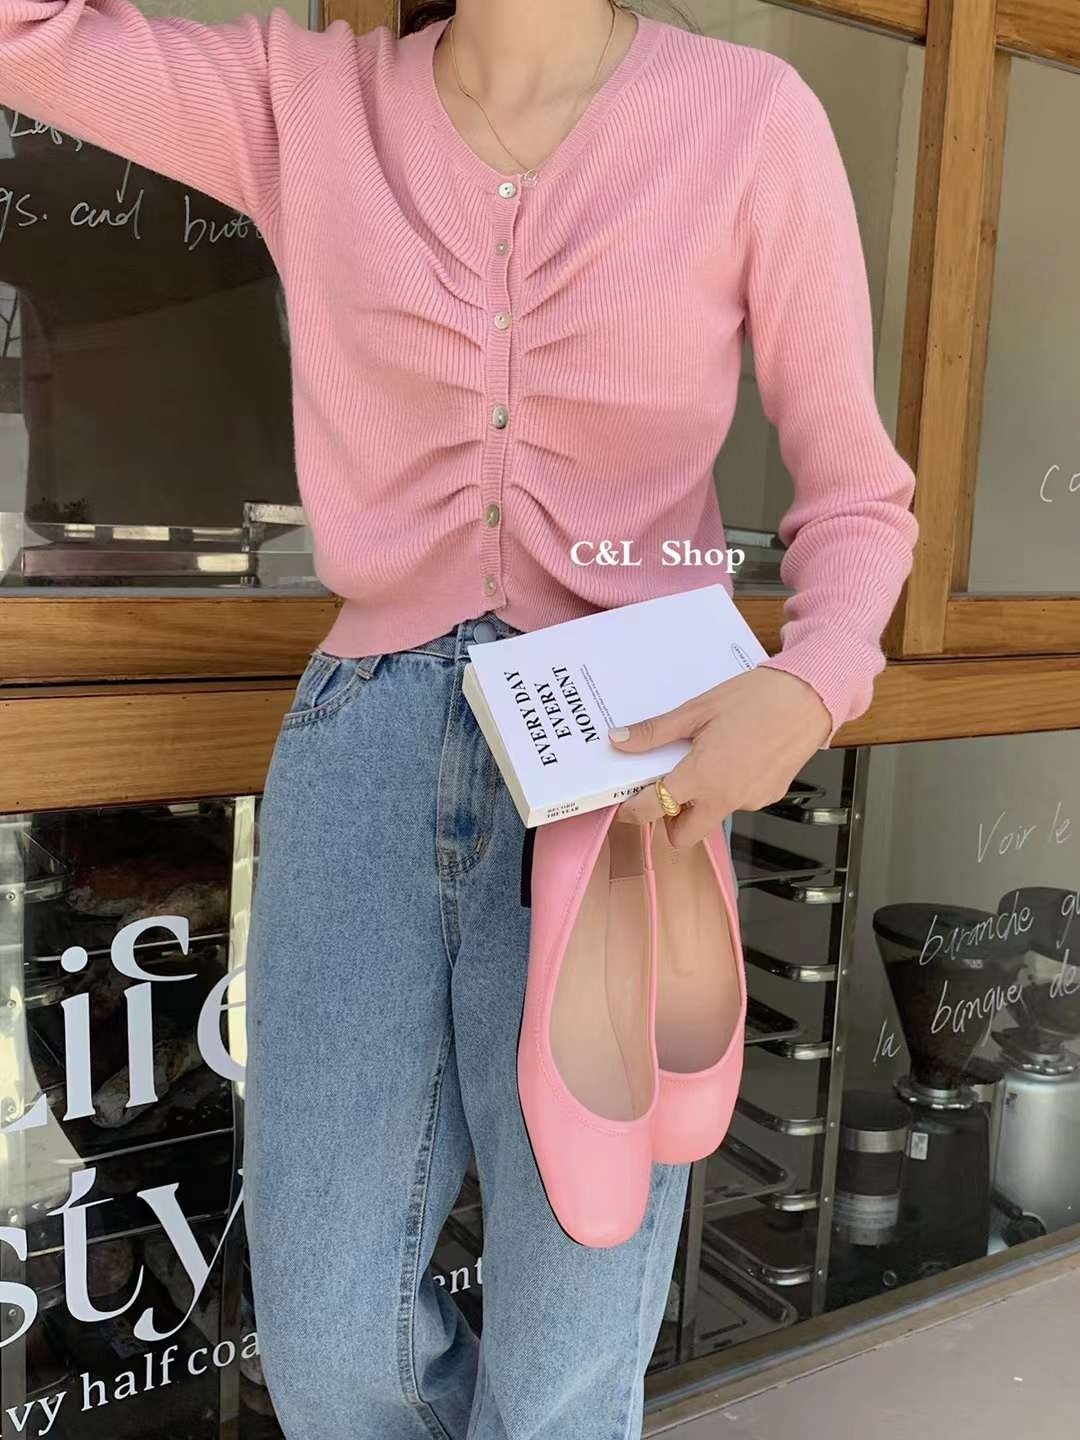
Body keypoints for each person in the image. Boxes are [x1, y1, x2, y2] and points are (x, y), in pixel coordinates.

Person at [0, 1, 919, 1435]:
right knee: (330, 1344)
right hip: (365, 748)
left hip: (626, 776)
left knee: (568, 1345)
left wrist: (807, 685)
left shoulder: (749, 117)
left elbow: (856, 493)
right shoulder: (304, 102)